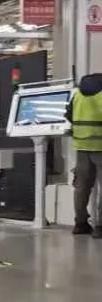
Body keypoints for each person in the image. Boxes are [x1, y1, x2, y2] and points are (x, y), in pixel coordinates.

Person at [66, 73, 102, 236]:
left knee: (81, 187)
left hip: (81, 146)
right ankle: (100, 227)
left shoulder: (78, 94)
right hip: (100, 146)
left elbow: (69, 115)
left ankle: (80, 224)